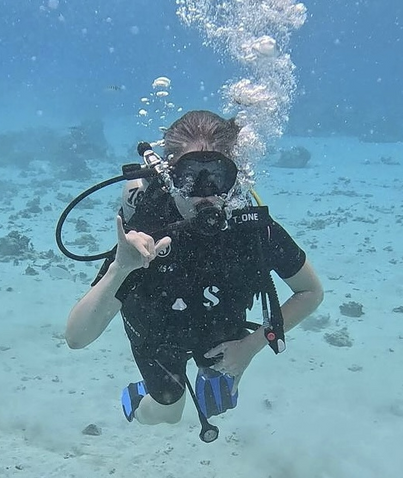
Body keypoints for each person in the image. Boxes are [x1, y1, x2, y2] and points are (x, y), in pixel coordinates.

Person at [65, 110, 323, 428]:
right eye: (190, 177)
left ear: (236, 177)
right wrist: (122, 267)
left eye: (217, 175)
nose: (206, 193)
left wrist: (249, 348)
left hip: (220, 329)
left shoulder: (253, 229)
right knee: (169, 411)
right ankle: (140, 397)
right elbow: (76, 338)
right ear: (170, 176)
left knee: (220, 401)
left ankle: (214, 374)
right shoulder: (148, 230)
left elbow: (311, 291)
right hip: (158, 334)